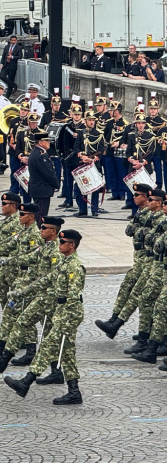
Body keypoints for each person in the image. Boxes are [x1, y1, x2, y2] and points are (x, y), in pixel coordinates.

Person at [4, 229, 86, 405]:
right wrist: (20, 293)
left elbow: (73, 297)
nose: (59, 245)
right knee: (67, 353)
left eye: (63, 243)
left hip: (69, 314)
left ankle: (26, 382)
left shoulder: (75, 267)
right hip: (63, 312)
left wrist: (63, 317)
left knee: (48, 346)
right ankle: (74, 392)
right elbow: (44, 281)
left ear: (72, 245)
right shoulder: (64, 263)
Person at [25, 128, 59, 218]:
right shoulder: (40, 155)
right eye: (46, 141)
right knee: (41, 215)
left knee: (40, 214)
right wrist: (56, 184)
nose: (49, 142)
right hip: (41, 189)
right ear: (40, 142)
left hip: (39, 189)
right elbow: (48, 173)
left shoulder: (38, 152)